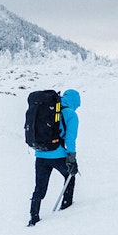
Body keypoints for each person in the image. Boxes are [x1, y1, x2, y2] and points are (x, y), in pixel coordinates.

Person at [28, 89, 80, 226]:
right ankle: (67, 207)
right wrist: (72, 157)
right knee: (70, 176)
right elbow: (70, 138)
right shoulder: (71, 114)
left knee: (39, 186)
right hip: (58, 154)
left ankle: (33, 217)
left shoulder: (48, 109)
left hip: (40, 153)